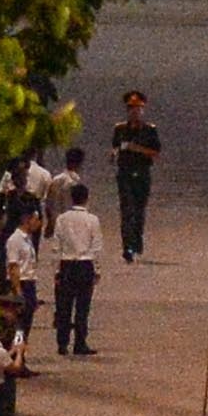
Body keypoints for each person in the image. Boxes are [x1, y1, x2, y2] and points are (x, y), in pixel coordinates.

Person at [46, 177, 104, 356]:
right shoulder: (92, 220)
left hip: (67, 264)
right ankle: (80, 342)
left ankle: (62, 343)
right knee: (82, 306)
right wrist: (97, 269)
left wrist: (56, 270)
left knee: (64, 305)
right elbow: (96, 246)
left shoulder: (62, 219)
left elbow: (57, 246)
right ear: (86, 198)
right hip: (85, 264)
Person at [110, 91, 161, 260]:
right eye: (131, 108)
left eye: (138, 108)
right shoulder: (120, 129)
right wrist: (114, 153)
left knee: (139, 210)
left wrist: (136, 148)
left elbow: (155, 152)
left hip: (142, 172)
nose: (134, 112)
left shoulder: (150, 130)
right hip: (124, 172)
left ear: (143, 109)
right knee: (126, 210)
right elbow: (115, 146)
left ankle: (137, 240)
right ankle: (128, 247)